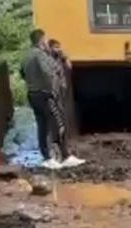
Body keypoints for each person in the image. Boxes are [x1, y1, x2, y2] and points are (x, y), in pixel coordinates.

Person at [20, 29, 84, 169]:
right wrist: (59, 58)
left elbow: (22, 73)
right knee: (59, 123)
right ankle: (65, 156)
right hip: (45, 95)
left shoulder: (26, 56)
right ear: (42, 40)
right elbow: (49, 70)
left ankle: (47, 158)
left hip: (32, 94)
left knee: (42, 127)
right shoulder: (40, 55)